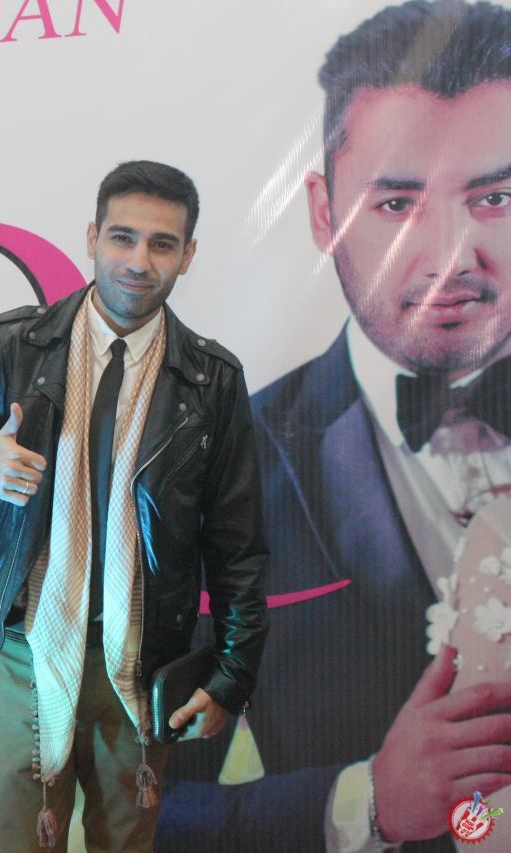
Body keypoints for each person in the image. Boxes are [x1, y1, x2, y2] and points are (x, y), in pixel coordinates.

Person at [157, 2, 511, 850]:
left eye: (496, 196)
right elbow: (126, 799)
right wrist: (364, 801)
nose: (450, 255)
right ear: (323, 213)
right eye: (396, 202)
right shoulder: (215, 472)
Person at [0, 160, 269, 852]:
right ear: (92, 237)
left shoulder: (212, 380)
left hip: (141, 659)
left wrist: (233, 674)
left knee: (126, 842)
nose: (139, 261)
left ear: (188, 255)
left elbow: (237, 544)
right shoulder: (14, 346)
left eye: (162, 244)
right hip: (25, 647)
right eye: (122, 237)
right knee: (21, 840)